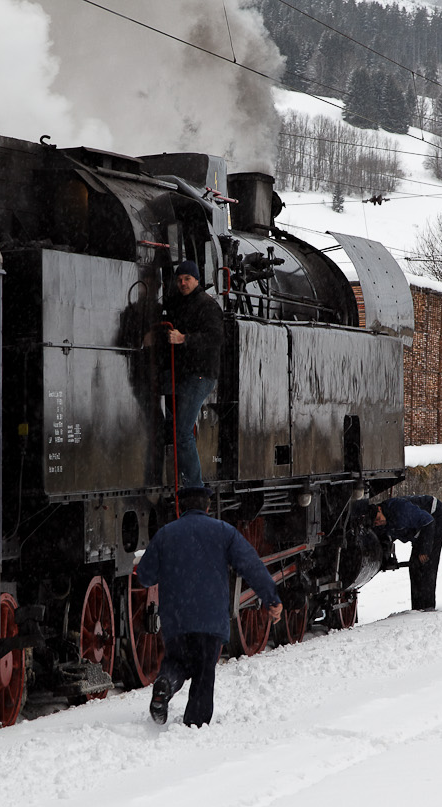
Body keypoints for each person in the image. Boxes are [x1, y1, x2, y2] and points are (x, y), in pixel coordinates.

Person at [137, 486, 281, 726]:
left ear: (180, 508)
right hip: (210, 620)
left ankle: (166, 683)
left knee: (176, 662)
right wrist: (272, 599)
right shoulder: (224, 531)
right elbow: (251, 566)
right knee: (204, 671)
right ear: (207, 507)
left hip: (177, 619)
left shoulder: (165, 534)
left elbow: (145, 577)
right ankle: (194, 724)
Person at [161, 259, 223, 489]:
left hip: (200, 374)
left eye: (187, 279)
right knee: (153, 391)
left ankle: (194, 487)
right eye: (179, 280)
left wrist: (184, 338)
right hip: (180, 373)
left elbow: (215, 338)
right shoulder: (177, 303)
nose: (183, 283)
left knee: (182, 432)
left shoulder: (207, 305)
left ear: (197, 280)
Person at [368, 495, 442, 611]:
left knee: (427, 564)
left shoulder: (400, 510)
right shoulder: (383, 523)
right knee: (415, 566)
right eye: (376, 523)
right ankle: (417, 608)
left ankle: (428, 607)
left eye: (378, 518)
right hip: (419, 530)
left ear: (379, 509)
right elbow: (386, 538)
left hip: (436, 516)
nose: (379, 522)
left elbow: (428, 522)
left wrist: (424, 550)